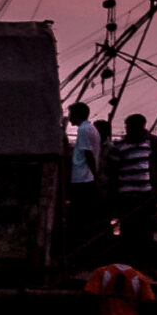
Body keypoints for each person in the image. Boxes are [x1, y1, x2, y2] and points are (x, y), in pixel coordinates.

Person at [112, 115, 157, 245]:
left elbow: (150, 167)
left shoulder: (147, 145)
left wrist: (153, 189)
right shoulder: (118, 146)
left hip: (144, 193)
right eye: (127, 127)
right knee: (128, 228)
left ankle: (141, 256)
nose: (128, 130)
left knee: (144, 228)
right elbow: (113, 170)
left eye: (131, 127)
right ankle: (129, 258)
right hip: (127, 195)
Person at [65, 102, 106, 251]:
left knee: (78, 215)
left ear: (76, 115)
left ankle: (79, 246)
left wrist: (94, 174)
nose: (69, 118)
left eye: (70, 114)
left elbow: (88, 154)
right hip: (85, 177)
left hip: (82, 178)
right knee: (83, 214)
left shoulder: (83, 130)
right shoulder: (92, 129)